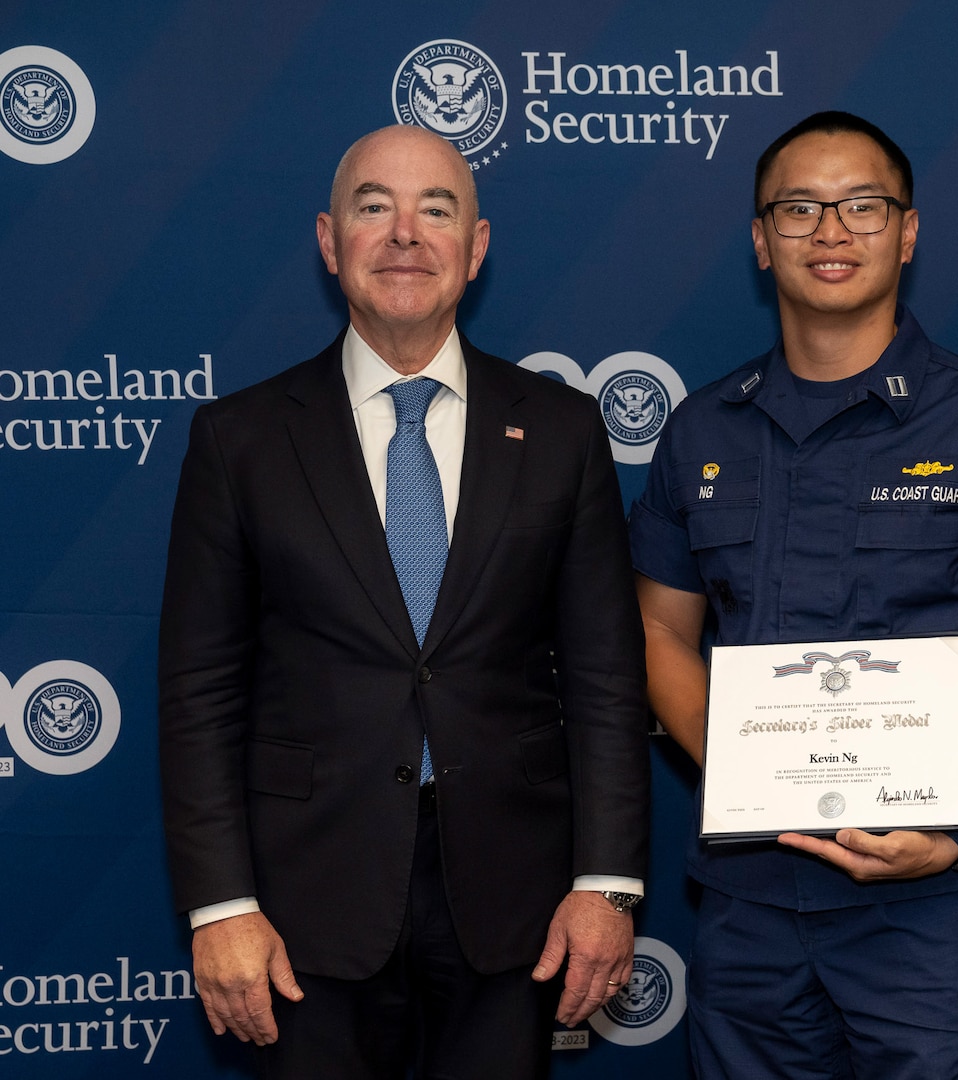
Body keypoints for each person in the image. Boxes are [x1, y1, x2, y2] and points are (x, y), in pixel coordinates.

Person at [157, 124, 650, 1078]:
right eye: (373, 206)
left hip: (515, 901)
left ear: (477, 245)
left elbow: (604, 677)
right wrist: (220, 906)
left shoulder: (561, 429)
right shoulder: (241, 438)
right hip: (305, 905)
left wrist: (607, 886)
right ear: (328, 239)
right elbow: (199, 691)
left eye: (438, 209)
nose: (404, 234)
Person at [628, 111, 958, 1079]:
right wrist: (753, 771)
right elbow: (659, 634)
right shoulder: (700, 432)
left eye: (861, 207)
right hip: (753, 902)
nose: (830, 232)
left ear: (907, 232)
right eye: (798, 208)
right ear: (761, 241)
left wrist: (953, 827)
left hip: (937, 909)